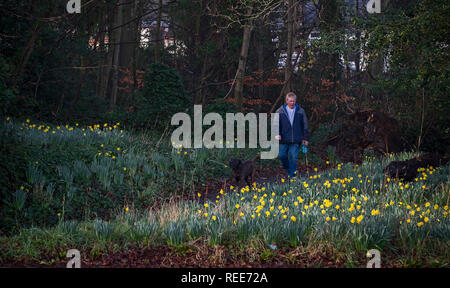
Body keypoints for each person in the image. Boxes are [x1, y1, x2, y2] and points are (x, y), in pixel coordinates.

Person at [275, 92, 309, 179]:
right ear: (286, 101)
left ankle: (292, 177)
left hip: (296, 139)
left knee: (293, 157)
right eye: (290, 101)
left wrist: (305, 138)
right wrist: (276, 134)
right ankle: (289, 170)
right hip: (283, 139)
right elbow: (275, 124)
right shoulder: (279, 111)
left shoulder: (301, 111)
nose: (292, 103)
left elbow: (305, 126)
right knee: (281, 155)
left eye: (294, 101)